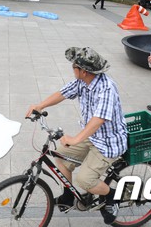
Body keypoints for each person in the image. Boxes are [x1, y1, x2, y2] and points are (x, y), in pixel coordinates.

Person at [26, 47, 127, 225]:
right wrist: (39, 106)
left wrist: (75, 139)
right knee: (61, 155)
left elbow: (99, 120)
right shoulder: (83, 81)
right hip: (92, 135)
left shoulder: (106, 88)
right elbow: (62, 93)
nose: (72, 68)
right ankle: (68, 197)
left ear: (84, 71)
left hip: (107, 142)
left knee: (84, 180)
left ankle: (112, 197)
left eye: (74, 66)